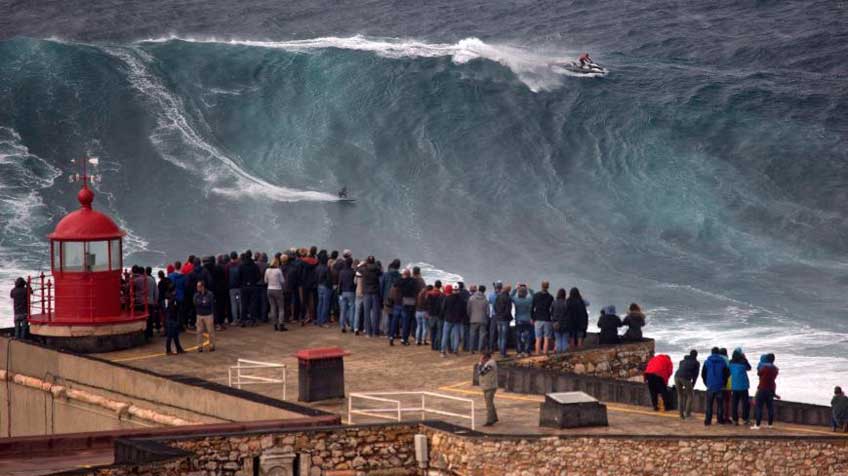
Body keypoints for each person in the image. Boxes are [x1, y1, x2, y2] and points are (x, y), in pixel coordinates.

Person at [702, 347, 730, 426]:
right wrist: (724, 383)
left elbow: (703, 374)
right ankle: (720, 420)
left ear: (711, 352)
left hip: (710, 386)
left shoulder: (707, 362)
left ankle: (708, 421)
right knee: (720, 405)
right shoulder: (722, 362)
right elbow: (726, 374)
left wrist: (706, 383)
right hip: (720, 386)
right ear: (718, 353)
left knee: (709, 405)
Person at [751, 353, 779, 429]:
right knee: (770, 407)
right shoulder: (775, 369)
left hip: (762, 388)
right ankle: (770, 425)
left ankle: (757, 425)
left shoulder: (765, 368)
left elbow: (759, 373)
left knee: (759, 407)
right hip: (771, 389)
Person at [441, 284, 466, 357]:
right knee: (456, 336)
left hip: (448, 319)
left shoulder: (447, 298)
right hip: (457, 320)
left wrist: (445, 315)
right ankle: (455, 351)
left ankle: (443, 351)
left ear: (452, 290)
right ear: (458, 290)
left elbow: (443, 308)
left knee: (445, 336)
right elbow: (463, 311)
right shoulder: (462, 300)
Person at [674, 350, 700, 420]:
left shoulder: (682, 361)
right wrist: (693, 384)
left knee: (680, 395)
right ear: (696, 355)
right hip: (685, 378)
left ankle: (681, 415)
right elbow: (695, 375)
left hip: (676, 377)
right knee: (690, 395)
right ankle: (687, 415)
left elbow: (681, 369)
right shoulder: (696, 363)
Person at [729, 348, 752, 425]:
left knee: (734, 404)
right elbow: (749, 368)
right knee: (745, 403)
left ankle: (735, 420)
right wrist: (745, 358)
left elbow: (728, 371)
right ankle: (745, 419)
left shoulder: (730, 362)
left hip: (734, 386)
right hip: (743, 386)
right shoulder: (743, 362)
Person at [239, 250, 261, 327]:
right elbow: (258, 276)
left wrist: (242, 283)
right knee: (252, 304)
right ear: (251, 256)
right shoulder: (254, 265)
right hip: (253, 286)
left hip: (244, 287)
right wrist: (253, 281)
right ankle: (252, 320)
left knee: (244, 304)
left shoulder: (241, 265)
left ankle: (243, 321)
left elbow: (239, 276)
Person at [511, 284, 534, 357]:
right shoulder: (529, 300)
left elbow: (510, 296)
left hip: (518, 320)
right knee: (527, 336)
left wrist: (515, 289)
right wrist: (529, 288)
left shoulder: (516, 300)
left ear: (519, 292)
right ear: (526, 293)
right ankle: (526, 351)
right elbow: (533, 295)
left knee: (518, 336)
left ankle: (519, 352)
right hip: (527, 319)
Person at [531, 281, 554, 355]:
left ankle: (538, 352)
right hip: (547, 318)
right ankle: (545, 352)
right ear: (548, 286)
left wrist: (532, 318)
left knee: (538, 338)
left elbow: (532, 308)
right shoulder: (550, 297)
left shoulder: (536, 295)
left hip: (538, 318)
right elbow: (552, 309)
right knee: (546, 338)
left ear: (541, 286)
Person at [362, 256, 382, 337]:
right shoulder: (377, 270)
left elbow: (357, 270)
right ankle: (375, 332)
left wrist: (362, 264)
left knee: (367, 313)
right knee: (375, 313)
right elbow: (381, 273)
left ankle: (368, 332)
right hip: (375, 292)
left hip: (367, 292)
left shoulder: (364, 270)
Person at [193, 281, 215, 352]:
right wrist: (202, 302)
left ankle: (211, 345)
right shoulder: (196, 295)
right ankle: (199, 346)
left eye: (198, 286)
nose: (197, 288)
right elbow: (195, 303)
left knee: (210, 331)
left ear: (202, 287)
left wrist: (201, 303)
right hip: (199, 315)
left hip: (208, 315)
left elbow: (208, 303)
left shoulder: (209, 294)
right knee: (199, 331)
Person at [477, 352, 499, 427]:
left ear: (486, 358)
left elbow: (481, 372)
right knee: (490, 403)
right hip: (487, 386)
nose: (481, 360)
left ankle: (490, 420)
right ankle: (494, 418)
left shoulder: (490, 364)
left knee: (489, 404)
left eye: (482, 358)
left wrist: (479, 364)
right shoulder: (489, 363)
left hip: (490, 387)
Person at [265, 256, 286, 331]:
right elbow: (282, 281)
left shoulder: (267, 270)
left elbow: (265, 281)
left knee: (273, 307)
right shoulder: (278, 270)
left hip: (269, 289)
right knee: (281, 308)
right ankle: (281, 325)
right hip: (278, 289)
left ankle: (275, 325)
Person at [467, 285, 490, 353]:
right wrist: (486, 318)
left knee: (472, 335)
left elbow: (468, 309)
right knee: (482, 335)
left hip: (473, 319)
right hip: (483, 320)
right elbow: (488, 312)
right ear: (484, 291)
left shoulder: (471, 298)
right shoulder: (485, 300)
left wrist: (470, 316)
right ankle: (480, 349)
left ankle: (471, 349)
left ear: (478, 289)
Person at [163, 287, 184, 355]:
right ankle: (168, 350)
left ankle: (178, 348)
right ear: (173, 291)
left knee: (174, 335)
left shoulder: (166, 299)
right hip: (173, 318)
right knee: (171, 335)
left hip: (168, 317)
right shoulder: (174, 299)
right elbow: (176, 309)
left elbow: (165, 308)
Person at [494, 285, 513, 357]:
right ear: (509, 291)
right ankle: (503, 352)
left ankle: (500, 351)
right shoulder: (508, 298)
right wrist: (507, 316)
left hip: (498, 318)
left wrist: (498, 314)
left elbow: (495, 306)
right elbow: (508, 309)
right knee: (504, 337)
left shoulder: (498, 296)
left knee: (500, 336)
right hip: (505, 319)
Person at [338, 257, 356, 333]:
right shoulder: (353, 272)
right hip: (351, 292)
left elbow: (340, 283)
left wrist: (339, 292)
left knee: (343, 310)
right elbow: (355, 283)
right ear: (351, 263)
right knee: (352, 309)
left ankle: (342, 326)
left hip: (343, 292)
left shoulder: (341, 272)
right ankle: (352, 326)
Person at [315, 251, 332, 327]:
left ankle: (319, 320)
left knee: (320, 304)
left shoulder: (317, 267)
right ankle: (324, 321)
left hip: (319, 286)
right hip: (326, 287)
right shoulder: (326, 268)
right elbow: (329, 279)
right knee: (325, 304)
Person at [427, 281, 445, 350]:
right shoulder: (441, 295)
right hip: (438, 315)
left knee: (432, 331)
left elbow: (428, 304)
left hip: (431, 315)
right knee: (439, 331)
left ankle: (433, 346)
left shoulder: (430, 294)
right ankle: (438, 345)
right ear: (440, 286)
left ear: (434, 285)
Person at [226, 252, 241, 325]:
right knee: (240, 303)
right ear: (236, 257)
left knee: (233, 304)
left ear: (230, 257)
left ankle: (235, 320)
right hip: (239, 287)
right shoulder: (240, 265)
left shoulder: (228, 266)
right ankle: (241, 319)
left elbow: (226, 276)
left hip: (232, 287)